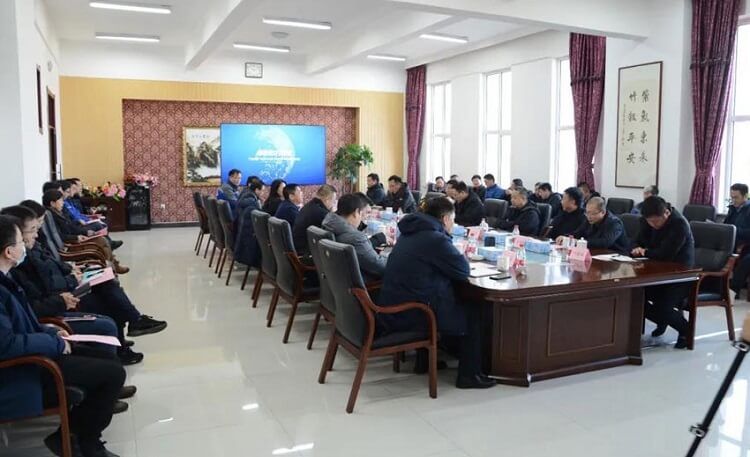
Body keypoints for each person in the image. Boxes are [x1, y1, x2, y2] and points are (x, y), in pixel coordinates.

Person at [0, 215, 126, 457]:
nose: (26, 245)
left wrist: (51, 332)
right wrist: (54, 342)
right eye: (20, 241)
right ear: (9, 251)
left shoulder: (7, 279)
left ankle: (74, 432)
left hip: (37, 351)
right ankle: (86, 443)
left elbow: (25, 322)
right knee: (113, 373)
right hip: (24, 369)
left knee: (107, 358)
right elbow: (6, 344)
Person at [378, 197, 494, 389]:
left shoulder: (410, 231)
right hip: (414, 313)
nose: (453, 224)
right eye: (453, 220)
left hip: (394, 304)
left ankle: (423, 361)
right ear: (445, 219)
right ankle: (469, 375)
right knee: (473, 311)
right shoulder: (435, 239)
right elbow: (463, 270)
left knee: (434, 293)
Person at [631, 197, 695, 348]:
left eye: (656, 221)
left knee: (663, 306)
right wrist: (636, 248)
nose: (653, 225)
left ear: (666, 213)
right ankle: (664, 320)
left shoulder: (679, 224)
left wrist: (645, 251)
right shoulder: (646, 220)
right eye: (650, 222)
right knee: (634, 297)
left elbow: (666, 254)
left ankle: (685, 330)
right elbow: (637, 240)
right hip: (655, 271)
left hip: (680, 275)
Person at [43, 190, 129, 274]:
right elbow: (61, 236)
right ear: (52, 203)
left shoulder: (59, 213)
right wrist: (76, 237)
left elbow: (71, 227)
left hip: (73, 240)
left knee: (102, 240)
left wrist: (83, 233)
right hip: (70, 246)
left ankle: (112, 267)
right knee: (101, 241)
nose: (63, 203)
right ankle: (111, 268)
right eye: (60, 200)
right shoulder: (52, 217)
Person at [322, 194, 387, 280]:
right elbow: (381, 267)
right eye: (361, 214)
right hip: (361, 282)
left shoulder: (329, 224)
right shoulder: (355, 237)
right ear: (356, 213)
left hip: (338, 279)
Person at [560, 197, 630, 253]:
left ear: (603, 212)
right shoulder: (589, 219)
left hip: (617, 256)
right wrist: (566, 237)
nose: (589, 216)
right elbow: (578, 233)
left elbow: (605, 242)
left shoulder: (614, 223)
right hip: (598, 253)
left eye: (593, 214)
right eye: (587, 213)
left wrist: (578, 242)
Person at [293, 184, 337, 254]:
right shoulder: (321, 213)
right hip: (306, 252)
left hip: (299, 247)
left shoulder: (309, 205)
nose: (334, 204)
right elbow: (337, 230)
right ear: (327, 200)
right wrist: (332, 213)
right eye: (334, 201)